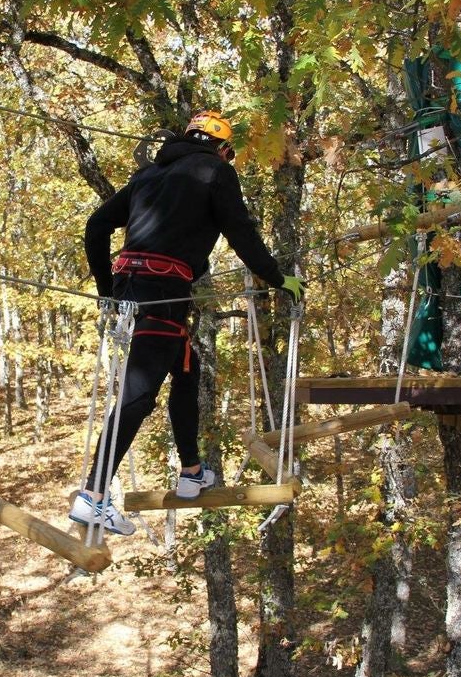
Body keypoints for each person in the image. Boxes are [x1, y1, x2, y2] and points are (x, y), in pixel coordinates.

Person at [69, 110, 305, 535]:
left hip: (136, 288)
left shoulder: (148, 174)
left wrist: (108, 286)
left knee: (186, 368)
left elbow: (97, 224)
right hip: (162, 292)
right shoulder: (214, 171)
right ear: (222, 148)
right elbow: (241, 232)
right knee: (138, 393)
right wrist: (276, 277)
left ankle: (192, 471)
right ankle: (94, 496)